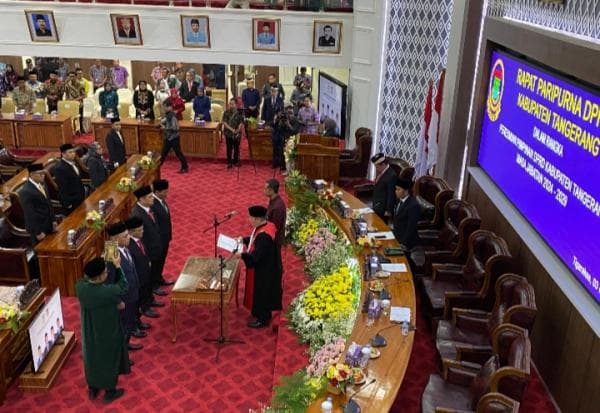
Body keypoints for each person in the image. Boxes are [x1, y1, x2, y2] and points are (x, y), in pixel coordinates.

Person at [76, 257, 129, 403]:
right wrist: (118, 266)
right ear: (99, 277)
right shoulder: (106, 291)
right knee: (108, 358)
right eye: (105, 272)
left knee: (92, 358)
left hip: (89, 331)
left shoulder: (80, 287)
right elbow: (123, 285)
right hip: (107, 330)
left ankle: (93, 388)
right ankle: (110, 391)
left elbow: (86, 280)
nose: (107, 274)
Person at [238, 206, 282, 328]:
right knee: (262, 292)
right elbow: (254, 239)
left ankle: (263, 319)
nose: (249, 220)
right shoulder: (267, 225)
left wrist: (242, 255)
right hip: (269, 265)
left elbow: (256, 257)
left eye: (251, 217)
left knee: (262, 292)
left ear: (257, 219)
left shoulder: (264, 236)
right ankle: (260, 313)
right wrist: (244, 240)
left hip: (264, 270)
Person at [105, 222, 144, 352]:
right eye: (125, 236)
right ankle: (122, 353)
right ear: (115, 239)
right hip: (123, 299)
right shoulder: (111, 253)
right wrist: (118, 301)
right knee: (124, 326)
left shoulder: (124, 247)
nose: (129, 238)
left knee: (129, 324)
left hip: (132, 293)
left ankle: (125, 346)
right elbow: (109, 283)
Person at [131, 186, 167, 297]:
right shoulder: (137, 214)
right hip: (148, 249)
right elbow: (139, 236)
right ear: (141, 199)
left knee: (157, 266)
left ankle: (157, 280)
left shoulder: (148, 207)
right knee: (149, 272)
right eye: (150, 197)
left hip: (156, 245)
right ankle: (153, 288)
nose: (153, 198)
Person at [125, 216, 160, 322]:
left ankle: (149, 302)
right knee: (139, 297)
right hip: (138, 276)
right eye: (140, 230)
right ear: (131, 231)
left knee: (147, 289)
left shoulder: (139, 239)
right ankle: (143, 310)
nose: (143, 231)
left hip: (145, 271)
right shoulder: (128, 245)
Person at [20, 163, 57, 245]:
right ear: (31, 174)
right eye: (40, 174)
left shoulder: (42, 184)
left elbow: (49, 204)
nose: (43, 175)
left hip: (49, 225)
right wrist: (38, 232)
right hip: (39, 229)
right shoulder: (25, 191)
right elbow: (30, 214)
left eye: (43, 173)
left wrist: (53, 220)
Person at [151, 179, 175, 287]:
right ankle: (154, 284)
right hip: (158, 241)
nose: (167, 194)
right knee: (156, 262)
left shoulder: (161, 200)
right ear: (156, 192)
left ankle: (159, 277)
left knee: (161, 261)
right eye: (164, 192)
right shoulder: (152, 204)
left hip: (165, 238)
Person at [54, 143, 86, 215]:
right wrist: (68, 204)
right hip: (72, 203)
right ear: (63, 154)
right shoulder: (60, 168)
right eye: (70, 152)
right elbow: (62, 188)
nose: (73, 154)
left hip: (80, 198)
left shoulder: (73, 163)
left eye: (73, 152)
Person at [160, 101, 189, 174]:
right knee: (163, 153)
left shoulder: (173, 116)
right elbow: (165, 121)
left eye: (165, 107)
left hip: (174, 138)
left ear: (170, 107)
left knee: (178, 153)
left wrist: (164, 127)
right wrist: (162, 122)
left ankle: (185, 167)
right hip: (168, 138)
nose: (164, 108)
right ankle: (157, 167)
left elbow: (175, 127)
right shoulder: (168, 114)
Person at [392, 178, 421, 250]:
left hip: (406, 242)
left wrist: (403, 243)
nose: (396, 192)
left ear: (406, 191)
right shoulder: (399, 200)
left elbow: (411, 227)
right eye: (396, 189)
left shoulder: (413, 205)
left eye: (398, 189)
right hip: (397, 236)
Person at [265, 179, 286, 273]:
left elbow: (275, 227)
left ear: (271, 190)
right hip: (272, 237)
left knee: (276, 261)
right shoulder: (273, 201)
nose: (263, 190)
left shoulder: (278, 207)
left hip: (275, 239)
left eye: (265, 188)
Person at [370, 153, 398, 222]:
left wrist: (388, 210)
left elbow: (391, 194)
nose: (376, 168)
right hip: (376, 206)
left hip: (383, 210)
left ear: (383, 165)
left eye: (377, 167)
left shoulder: (391, 176)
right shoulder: (382, 172)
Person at [222, 98, 242, 168]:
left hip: (236, 133)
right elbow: (224, 123)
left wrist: (238, 130)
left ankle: (236, 161)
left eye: (232, 104)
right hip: (228, 133)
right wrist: (232, 130)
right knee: (229, 148)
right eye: (230, 104)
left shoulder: (239, 113)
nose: (231, 105)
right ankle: (229, 162)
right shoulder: (226, 112)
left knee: (236, 148)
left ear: (236, 105)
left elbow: (240, 122)